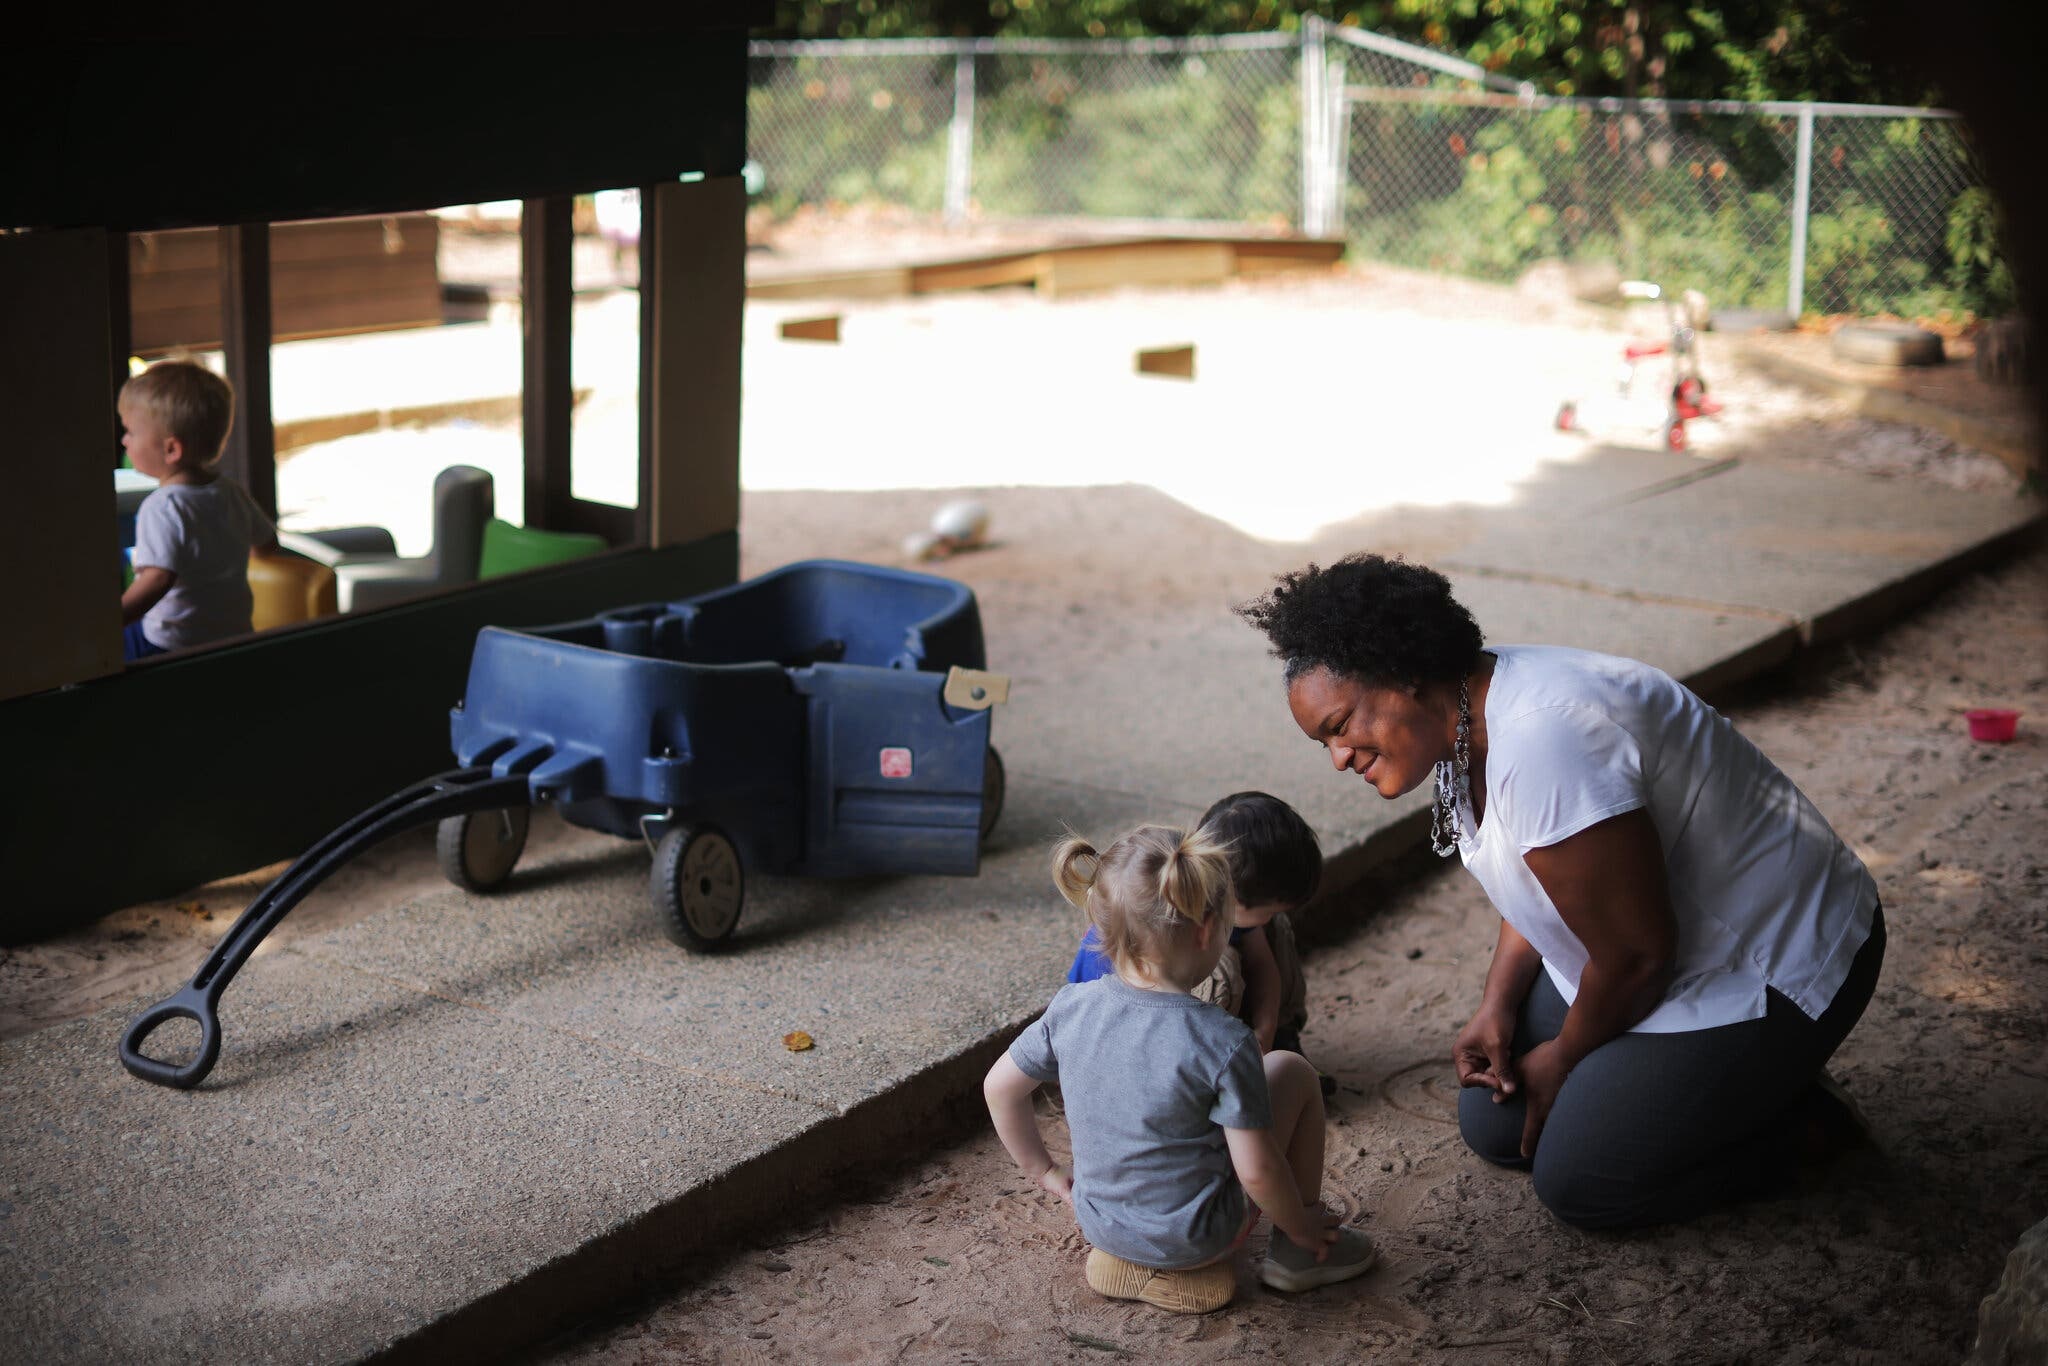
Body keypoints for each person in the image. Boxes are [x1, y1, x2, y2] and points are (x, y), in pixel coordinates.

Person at [1237, 553, 1884, 1231]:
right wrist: (1498, 1004)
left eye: (1341, 726)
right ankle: (1726, 1095)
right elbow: (1543, 883)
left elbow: (1638, 955)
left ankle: (1805, 1127)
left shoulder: (1546, 738)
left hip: (1775, 962)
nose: (1340, 757)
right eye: (1324, 744)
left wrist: (1565, 1055)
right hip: (1658, 945)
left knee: (1586, 1182)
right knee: (1494, 1119)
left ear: (1401, 674)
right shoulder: (1460, 715)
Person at [985, 823, 1378, 1315]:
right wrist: (1299, 1221)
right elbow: (1256, 1168)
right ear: (1209, 931)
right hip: (1200, 1236)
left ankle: (1127, 1260)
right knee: (1292, 1071)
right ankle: (1298, 1255)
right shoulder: (1223, 1040)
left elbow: (999, 1089)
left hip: (1098, 1221)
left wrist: (1044, 1171)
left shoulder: (1070, 1009)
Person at [118, 360, 274, 661]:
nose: (124, 440)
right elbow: (267, 544)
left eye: (130, 432)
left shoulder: (162, 506)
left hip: (171, 641)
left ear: (171, 449)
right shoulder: (231, 492)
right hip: (233, 635)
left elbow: (157, 580)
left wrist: (111, 620)